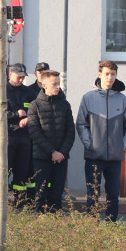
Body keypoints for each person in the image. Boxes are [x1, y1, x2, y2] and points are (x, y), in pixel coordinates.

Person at [76, 60, 126, 222]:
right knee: (93, 194)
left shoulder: (123, 100)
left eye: (113, 74)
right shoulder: (88, 98)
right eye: (107, 74)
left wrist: (120, 145)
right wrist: (90, 145)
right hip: (94, 156)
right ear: (99, 74)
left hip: (114, 158)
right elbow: (81, 124)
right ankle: (92, 226)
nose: (110, 77)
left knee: (113, 195)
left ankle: (111, 225)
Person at [27, 69, 76, 214]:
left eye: (59, 83)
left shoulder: (65, 105)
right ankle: (40, 221)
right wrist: (52, 152)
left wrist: (62, 153)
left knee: (56, 195)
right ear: (44, 85)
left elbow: (70, 132)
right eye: (54, 84)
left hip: (61, 158)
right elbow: (35, 133)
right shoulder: (35, 105)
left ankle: (55, 221)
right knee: (41, 193)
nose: (58, 87)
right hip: (42, 157)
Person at [5, 63, 35, 209]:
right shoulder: (2, 90)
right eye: (19, 77)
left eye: (23, 77)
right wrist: (15, 114)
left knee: (22, 171)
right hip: (8, 136)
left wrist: (28, 118)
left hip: (24, 137)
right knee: (4, 170)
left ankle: (19, 204)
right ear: (10, 74)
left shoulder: (28, 92)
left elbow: (35, 111)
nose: (21, 80)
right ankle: (1, 203)